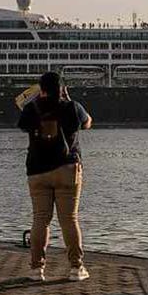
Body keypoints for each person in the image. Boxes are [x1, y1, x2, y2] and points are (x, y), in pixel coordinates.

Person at [18, 72, 93, 282]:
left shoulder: (31, 108)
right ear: (62, 89)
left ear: (40, 88)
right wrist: (67, 101)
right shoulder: (72, 106)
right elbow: (88, 123)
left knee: (40, 219)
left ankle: (36, 269)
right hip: (67, 169)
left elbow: (23, 124)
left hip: (37, 171)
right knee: (69, 219)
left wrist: (36, 101)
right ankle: (76, 268)